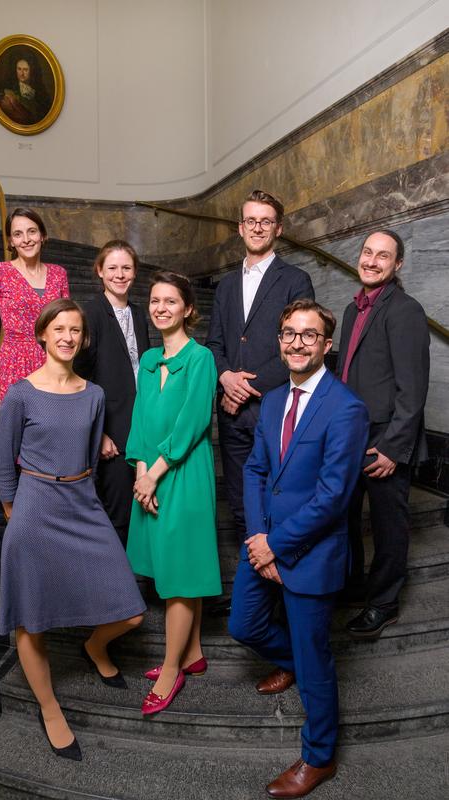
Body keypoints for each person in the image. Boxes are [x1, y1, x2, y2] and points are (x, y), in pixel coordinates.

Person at [0, 298, 146, 761]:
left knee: (132, 612)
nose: (67, 337)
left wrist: (92, 500)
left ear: (83, 338)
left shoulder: (94, 394)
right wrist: (16, 519)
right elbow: (3, 465)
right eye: (58, 328)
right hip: (35, 504)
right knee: (31, 618)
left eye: (75, 330)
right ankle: (49, 706)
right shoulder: (20, 393)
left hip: (82, 501)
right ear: (42, 334)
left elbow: (91, 457)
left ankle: (93, 644)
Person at [229, 299, 369, 798]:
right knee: (242, 623)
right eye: (290, 333)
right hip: (263, 538)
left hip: (310, 552)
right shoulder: (270, 401)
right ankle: (289, 662)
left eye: (309, 335)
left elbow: (334, 497)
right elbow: (256, 470)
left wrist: (277, 546)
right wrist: (257, 537)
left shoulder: (347, 408)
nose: (297, 342)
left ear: (326, 346)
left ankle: (319, 756)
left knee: (316, 659)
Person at [206, 189, 314, 613]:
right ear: (240, 227)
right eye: (250, 220)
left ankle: (284, 601)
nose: (257, 227)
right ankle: (254, 596)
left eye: (265, 221)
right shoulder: (227, 285)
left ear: (278, 229)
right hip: (231, 418)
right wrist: (225, 376)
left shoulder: (295, 280)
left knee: (279, 504)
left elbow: (299, 348)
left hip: (272, 412)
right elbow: (215, 343)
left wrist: (243, 388)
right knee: (241, 505)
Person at [126, 271, 222, 715]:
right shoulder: (147, 360)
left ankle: (170, 670)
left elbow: (192, 423)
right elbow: (141, 419)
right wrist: (142, 471)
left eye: (171, 301)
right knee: (172, 564)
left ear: (187, 309)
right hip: (152, 473)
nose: (161, 307)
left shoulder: (201, 358)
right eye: (155, 301)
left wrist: (156, 472)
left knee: (181, 572)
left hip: (183, 473)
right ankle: (194, 652)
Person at [337, 230, 430, 639]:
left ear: (398, 265)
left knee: (389, 524)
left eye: (383, 256)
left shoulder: (405, 310)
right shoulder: (351, 309)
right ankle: (355, 583)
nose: (372, 261)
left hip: (385, 436)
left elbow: (413, 389)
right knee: (345, 516)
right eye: (368, 253)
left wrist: (393, 447)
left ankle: (384, 602)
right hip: (351, 433)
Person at [74, 240, 150, 545]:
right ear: (100, 272)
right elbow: (79, 377)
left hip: (141, 428)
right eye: (113, 268)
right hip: (112, 435)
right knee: (117, 516)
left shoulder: (141, 313)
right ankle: (116, 588)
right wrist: (99, 431)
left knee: (140, 513)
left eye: (127, 268)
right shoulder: (90, 313)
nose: (120, 274)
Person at [0, 207, 69, 406]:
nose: (26, 239)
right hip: (13, 366)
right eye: (18, 234)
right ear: (11, 241)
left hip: (53, 364)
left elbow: (68, 325)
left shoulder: (59, 274)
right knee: (17, 433)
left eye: (32, 231)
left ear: (42, 235)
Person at [0, 57, 51, 125]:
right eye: (19, 69)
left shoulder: (40, 92)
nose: (22, 73)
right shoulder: (8, 90)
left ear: (31, 71)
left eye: (25, 70)